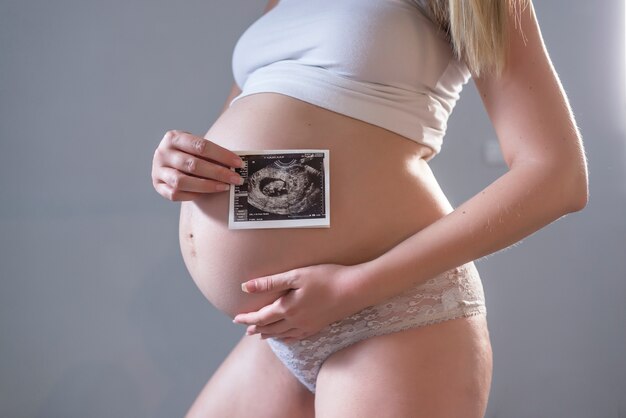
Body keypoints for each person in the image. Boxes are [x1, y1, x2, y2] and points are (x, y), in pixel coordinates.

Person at [151, 0, 589, 416]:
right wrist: (179, 166)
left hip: (391, 311)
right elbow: (243, 122)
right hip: (281, 326)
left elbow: (558, 174)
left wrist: (355, 287)